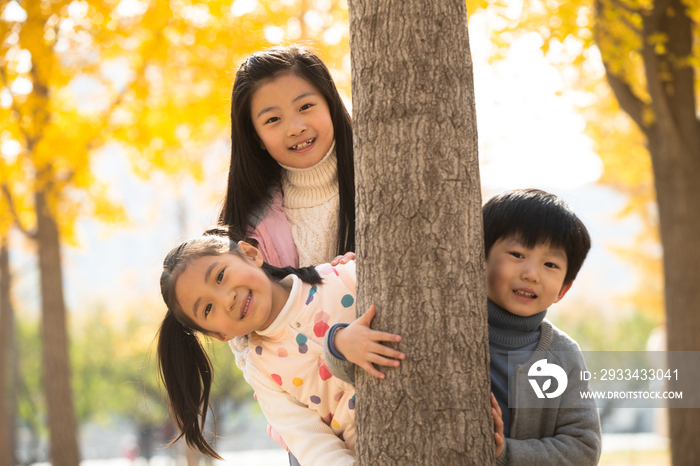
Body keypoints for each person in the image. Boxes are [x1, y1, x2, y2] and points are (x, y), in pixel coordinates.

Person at [325, 189, 602, 466]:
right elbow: (368, 370)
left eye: (550, 264)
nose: (531, 273)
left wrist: (504, 454)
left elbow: (583, 448)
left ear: (563, 290)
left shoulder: (562, 355)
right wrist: (341, 343)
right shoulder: (441, 321)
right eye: (517, 254)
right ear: (478, 259)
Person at [156, 229, 402, 466]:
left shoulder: (339, 278)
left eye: (220, 276)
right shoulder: (262, 370)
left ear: (251, 255)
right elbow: (311, 442)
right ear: (221, 335)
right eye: (208, 309)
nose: (226, 300)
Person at [219, 44, 355, 270]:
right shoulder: (252, 231)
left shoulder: (380, 174)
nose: (295, 128)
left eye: (305, 106)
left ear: (330, 103)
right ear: (257, 137)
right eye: (273, 119)